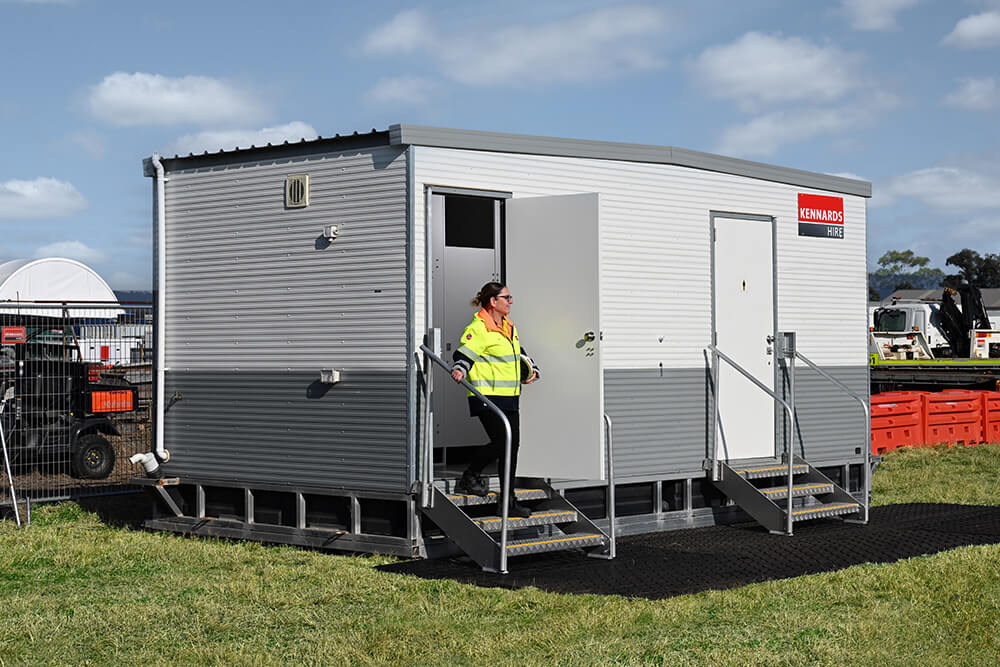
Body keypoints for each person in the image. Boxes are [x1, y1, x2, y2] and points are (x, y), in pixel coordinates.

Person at [450, 282, 539, 518]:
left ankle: (508, 502)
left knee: (512, 447)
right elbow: (464, 352)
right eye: (507, 297)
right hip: (486, 396)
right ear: (493, 301)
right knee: (502, 443)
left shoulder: (508, 326)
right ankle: (471, 474)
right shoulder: (479, 327)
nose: (511, 301)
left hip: (509, 397)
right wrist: (460, 368)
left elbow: (519, 353)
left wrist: (531, 370)